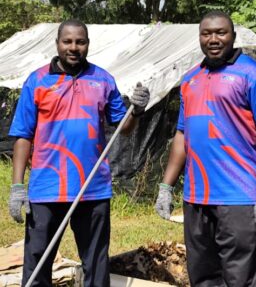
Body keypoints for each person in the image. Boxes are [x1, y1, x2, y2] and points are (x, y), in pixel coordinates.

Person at [8, 19, 150, 287]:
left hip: (92, 187)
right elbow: (23, 135)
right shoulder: (37, 80)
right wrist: (17, 186)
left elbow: (124, 128)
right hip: (47, 187)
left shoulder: (103, 79)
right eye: (68, 41)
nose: (73, 47)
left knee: (96, 264)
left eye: (80, 42)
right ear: (57, 44)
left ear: (87, 44)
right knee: (37, 261)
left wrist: (137, 110)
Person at [155, 10, 256, 287]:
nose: (213, 39)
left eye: (221, 33)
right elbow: (182, 134)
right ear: (199, 38)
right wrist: (166, 186)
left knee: (240, 277)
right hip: (196, 197)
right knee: (202, 276)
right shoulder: (190, 79)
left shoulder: (253, 75)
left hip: (239, 196)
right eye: (206, 33)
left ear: (233, 37)